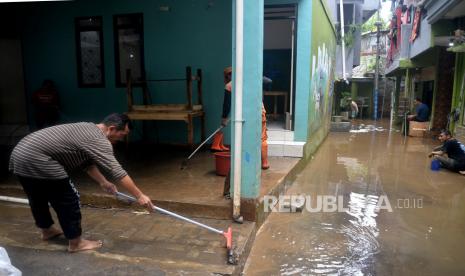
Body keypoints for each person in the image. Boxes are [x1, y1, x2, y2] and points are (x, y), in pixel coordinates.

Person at [9, 113, 154, 253]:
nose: (122, 138)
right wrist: (139, 196)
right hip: (38, 159)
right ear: (111, 129)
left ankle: (47, 230)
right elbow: (117, 171)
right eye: (122, 134)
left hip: (20, 154)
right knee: (69, 199)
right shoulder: (99, 140)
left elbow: (86, 163)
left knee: (38, 196)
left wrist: (103, 182)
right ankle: (76, 243)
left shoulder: (87, 128)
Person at [211, 66, 270, 170]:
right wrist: (258, 78)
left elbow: (227, 105)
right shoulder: (251, 79)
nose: (226, 79)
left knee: (244, 138)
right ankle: (264, 163)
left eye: (226, 76)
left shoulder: (229, 85)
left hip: (244, 115)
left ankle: (247, 163)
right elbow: (269, 81)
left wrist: (224, 119)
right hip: (259, 111)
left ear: (229, 75)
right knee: (262, 138)